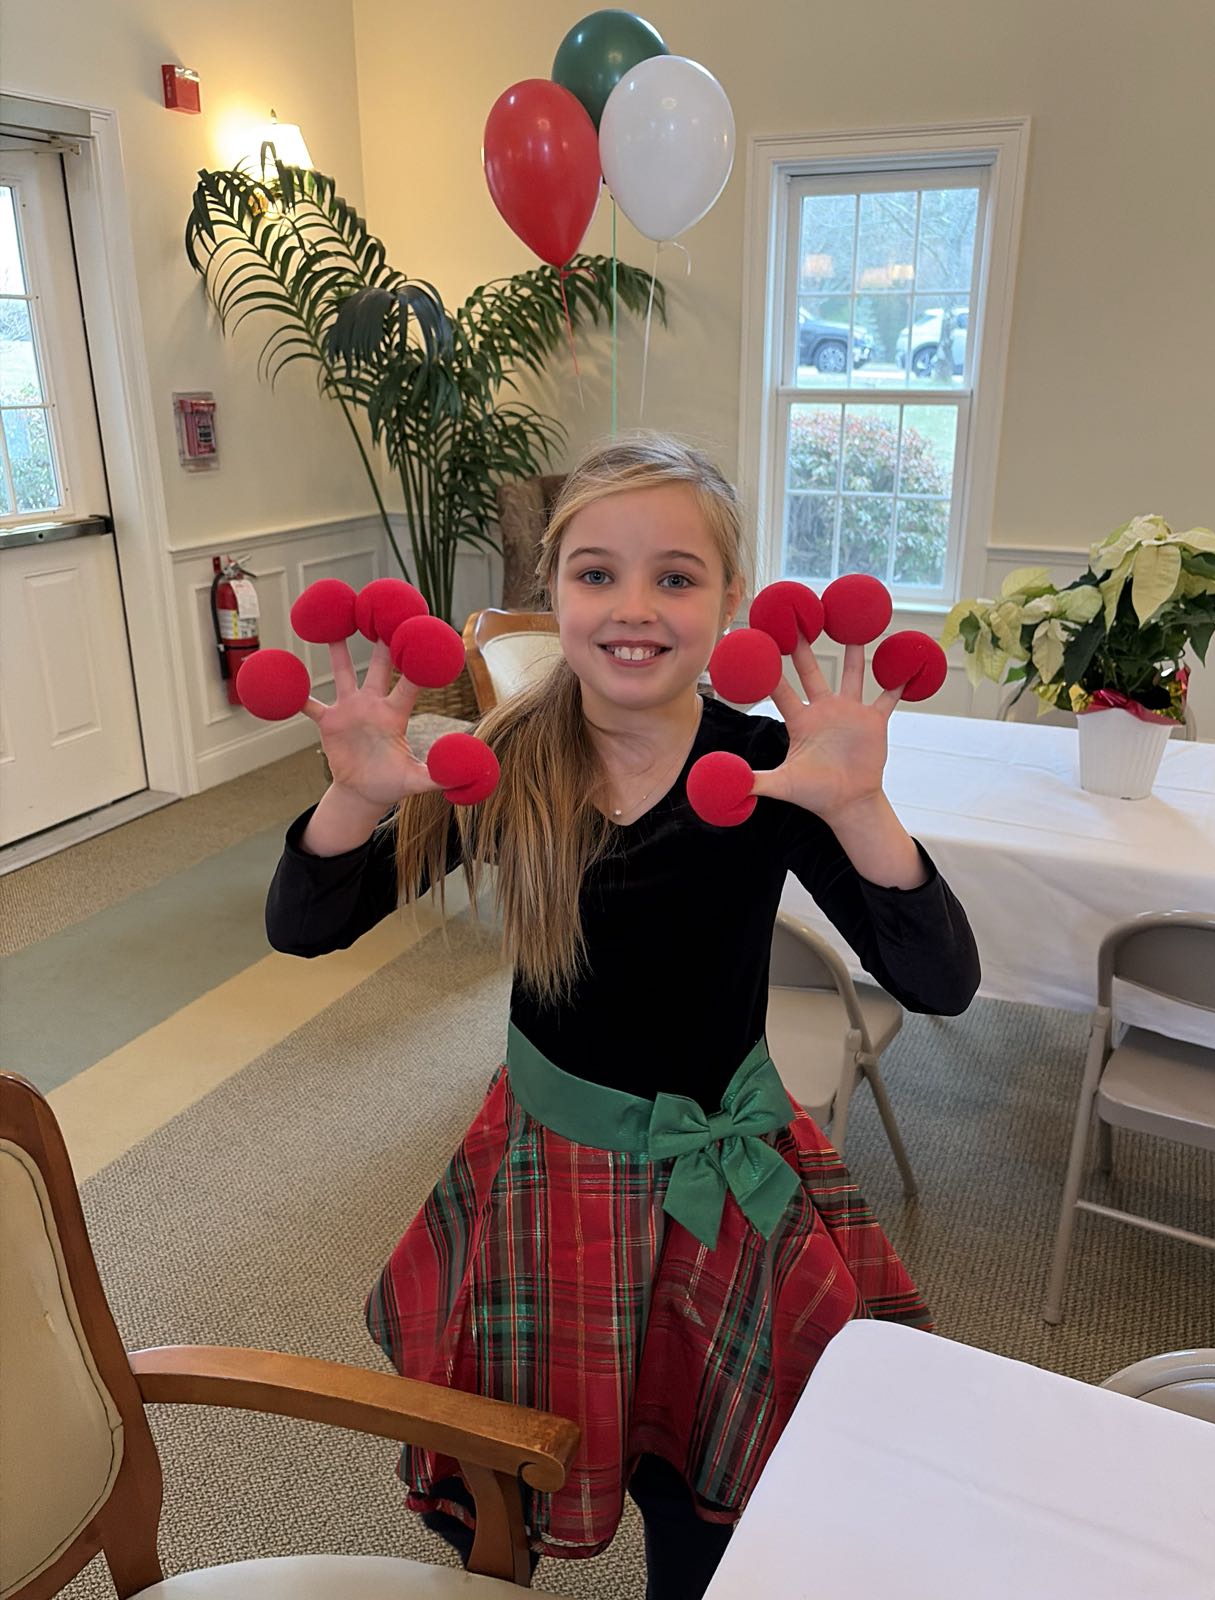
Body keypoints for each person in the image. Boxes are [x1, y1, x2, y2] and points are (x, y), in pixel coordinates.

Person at [266, 433, 980, 1599]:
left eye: (674, 576)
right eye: (595, 573)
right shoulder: (499, 763)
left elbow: (940, 980)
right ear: (550, 592)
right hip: (550, 1182)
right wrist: (348, 797)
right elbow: (306, 923)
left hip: (727, 1171)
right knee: (518, 1458)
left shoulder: (767, 769)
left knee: (709, 1486)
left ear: (727, 600)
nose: (631, 607)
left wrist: (861, 810)